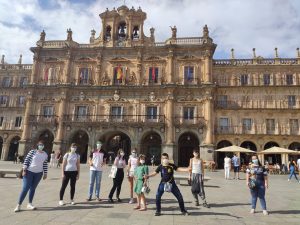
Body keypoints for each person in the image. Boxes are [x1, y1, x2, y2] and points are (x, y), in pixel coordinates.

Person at [14, 141, 48, 212]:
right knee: (25, 188)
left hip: (39, 173)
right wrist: (24, 170)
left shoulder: (45, 154)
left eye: (42, 145)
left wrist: (45, 173)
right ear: (37, 145)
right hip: (29, 172)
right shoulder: (32, 152)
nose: (41, 146)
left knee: (33, 188)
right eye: (40, 145)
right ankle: (18, 205)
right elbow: (26, 161)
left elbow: (45, 164)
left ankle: (29, 204)